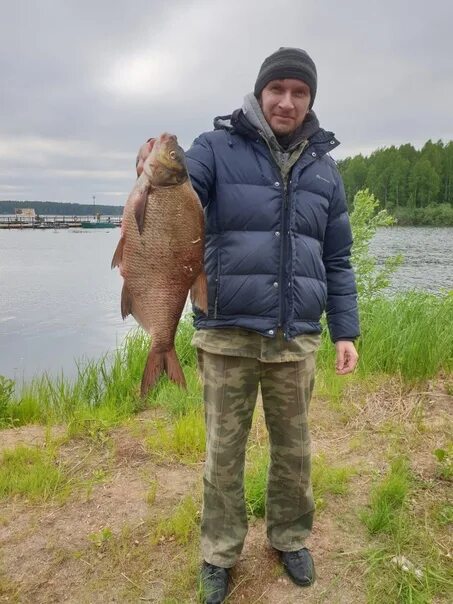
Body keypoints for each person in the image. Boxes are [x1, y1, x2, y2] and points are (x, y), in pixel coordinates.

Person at [140, 47, 360, 604]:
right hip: (226, 331)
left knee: (295, 451)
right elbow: (179, 194)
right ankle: (218, 552)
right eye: (277, 89)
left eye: (299, 92)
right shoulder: (214, 148)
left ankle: (289, 538)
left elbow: (337, 258)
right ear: (260, 92)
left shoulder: (325, 169)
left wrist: (345, 330)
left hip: (295, 336)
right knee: (223, 451)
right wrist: (147, 172)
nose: (287, 101)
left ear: (310, 99)